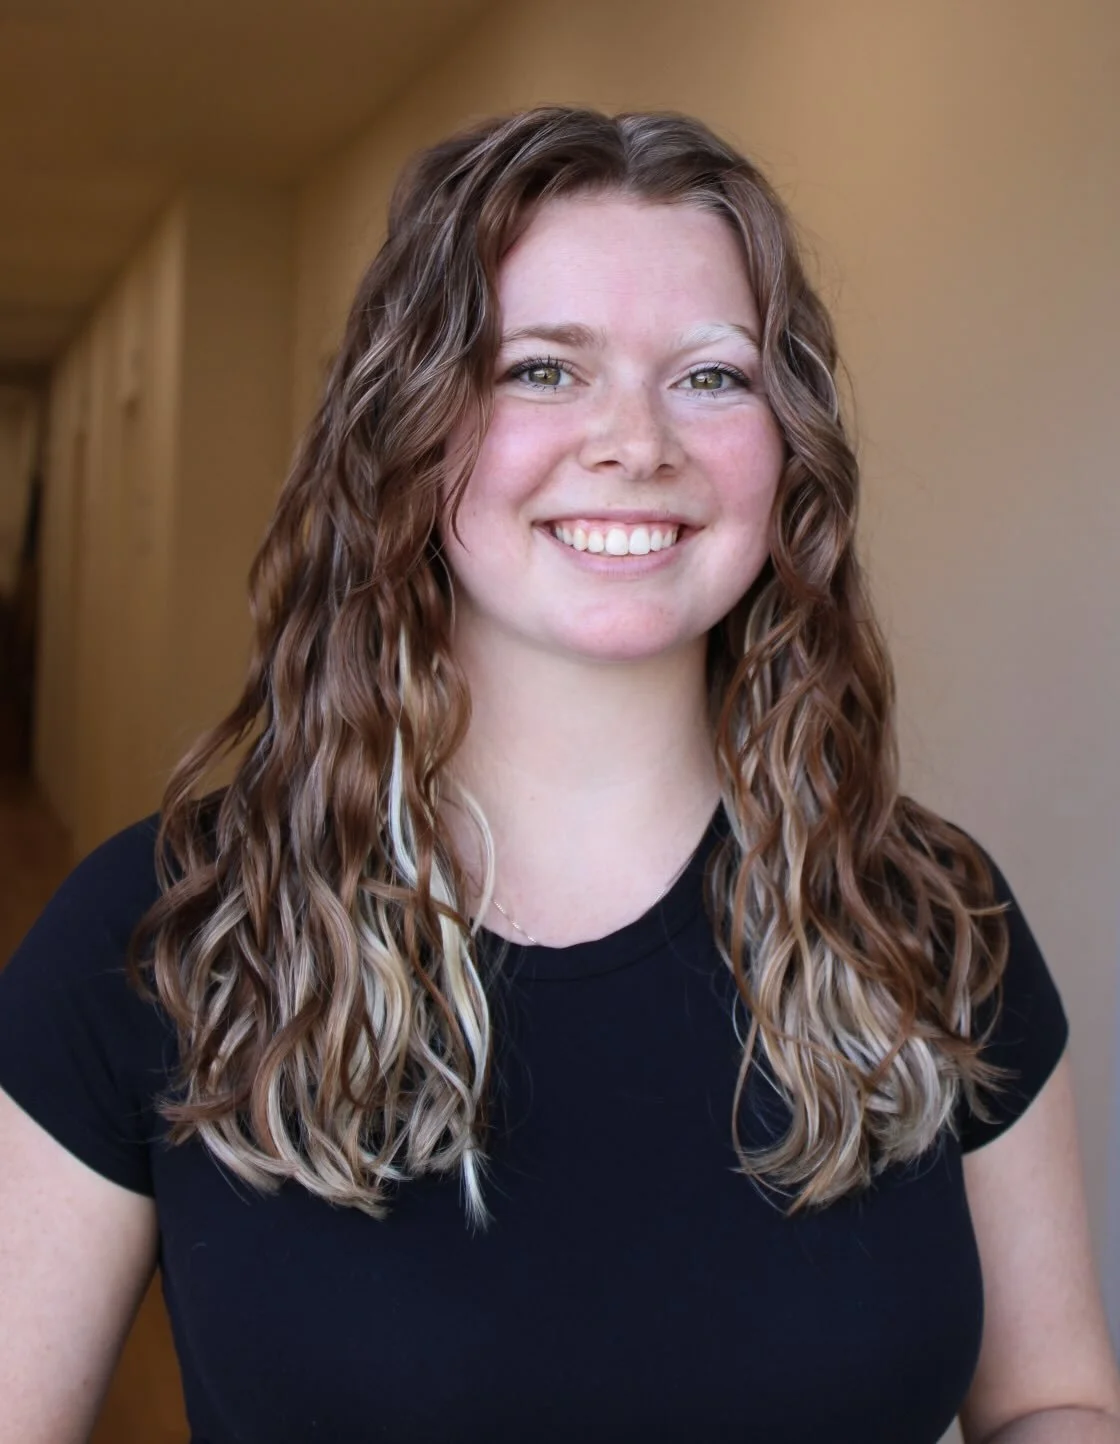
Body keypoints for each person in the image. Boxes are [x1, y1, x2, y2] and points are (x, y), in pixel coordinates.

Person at [0, 106, 1116, 1444]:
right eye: (542, 368)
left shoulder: (930, 921)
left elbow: (1052, 1399)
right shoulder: (163, 936)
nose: (635, 441)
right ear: (407, 425)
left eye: (713, 374)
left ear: (791, 441)